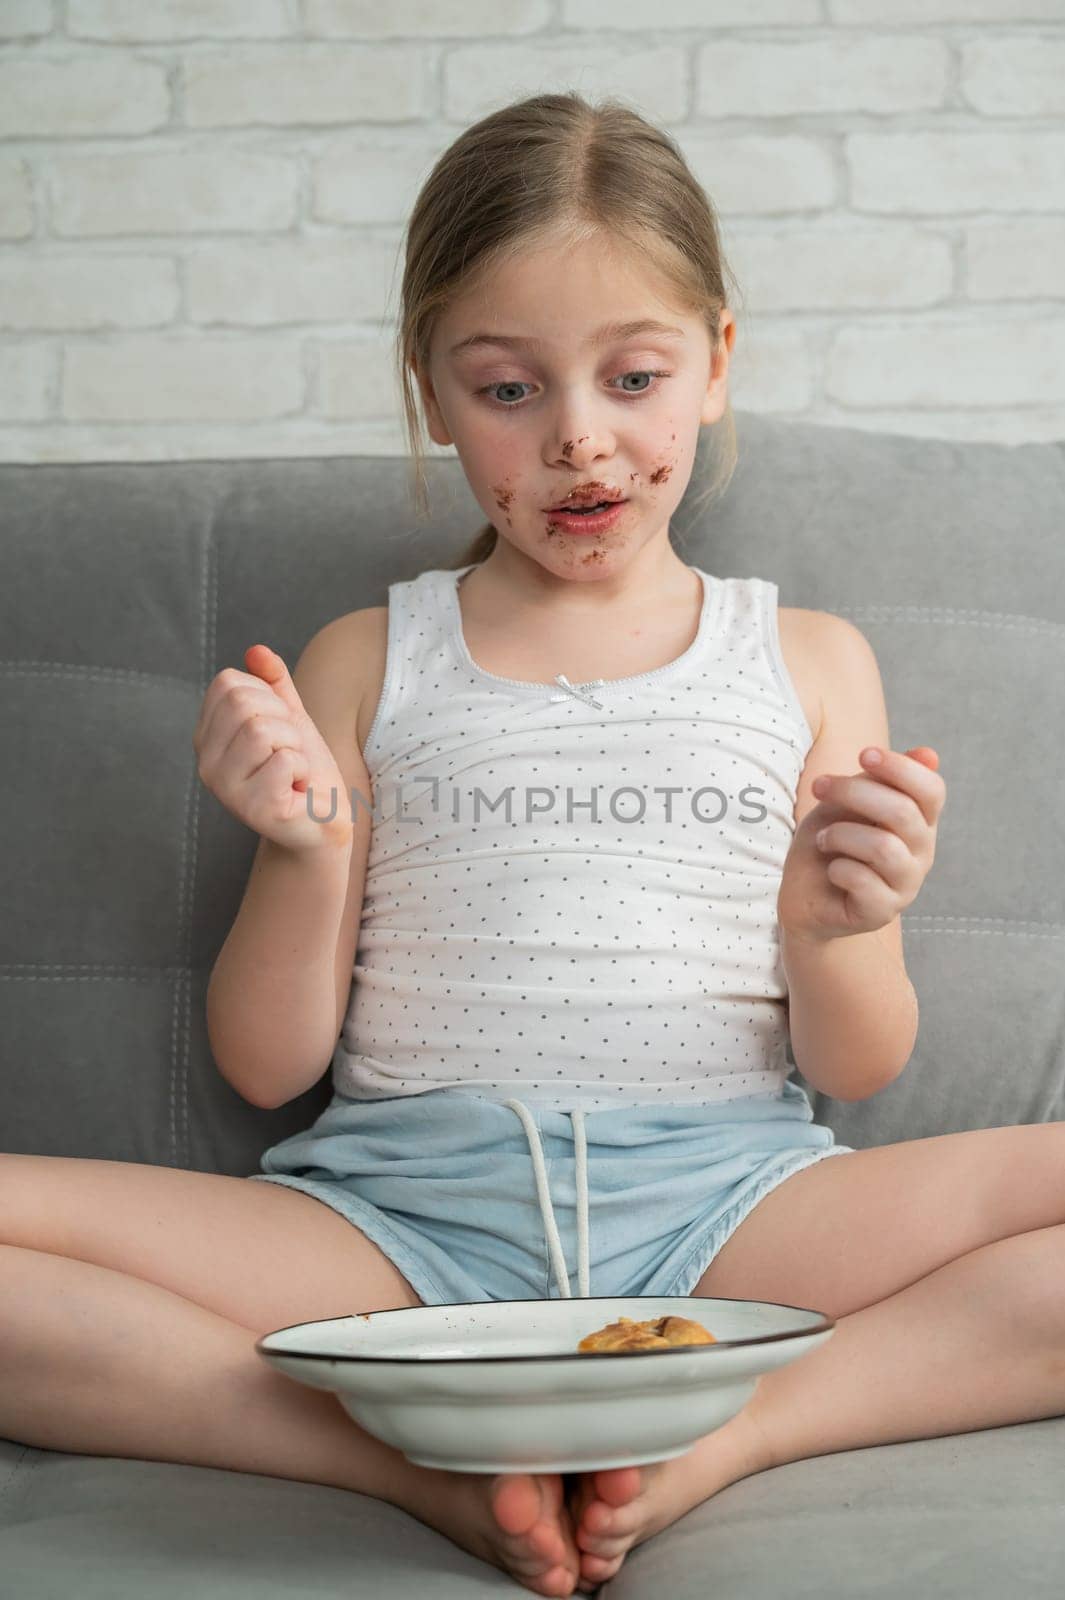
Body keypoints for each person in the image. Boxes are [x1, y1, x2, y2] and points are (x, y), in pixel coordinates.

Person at [6, 92, 961, 1600]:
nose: (579, 437)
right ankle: (409, 1469)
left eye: (633, 375)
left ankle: (721, 1443)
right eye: (508, 388)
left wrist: (833, 931)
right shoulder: (364, 660)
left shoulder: (810, 657)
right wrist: (302, 849)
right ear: (434, 394)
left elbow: (854, 1069)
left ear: (716, 363)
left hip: (728, 1214)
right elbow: (267, 1067)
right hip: (397, 1228)